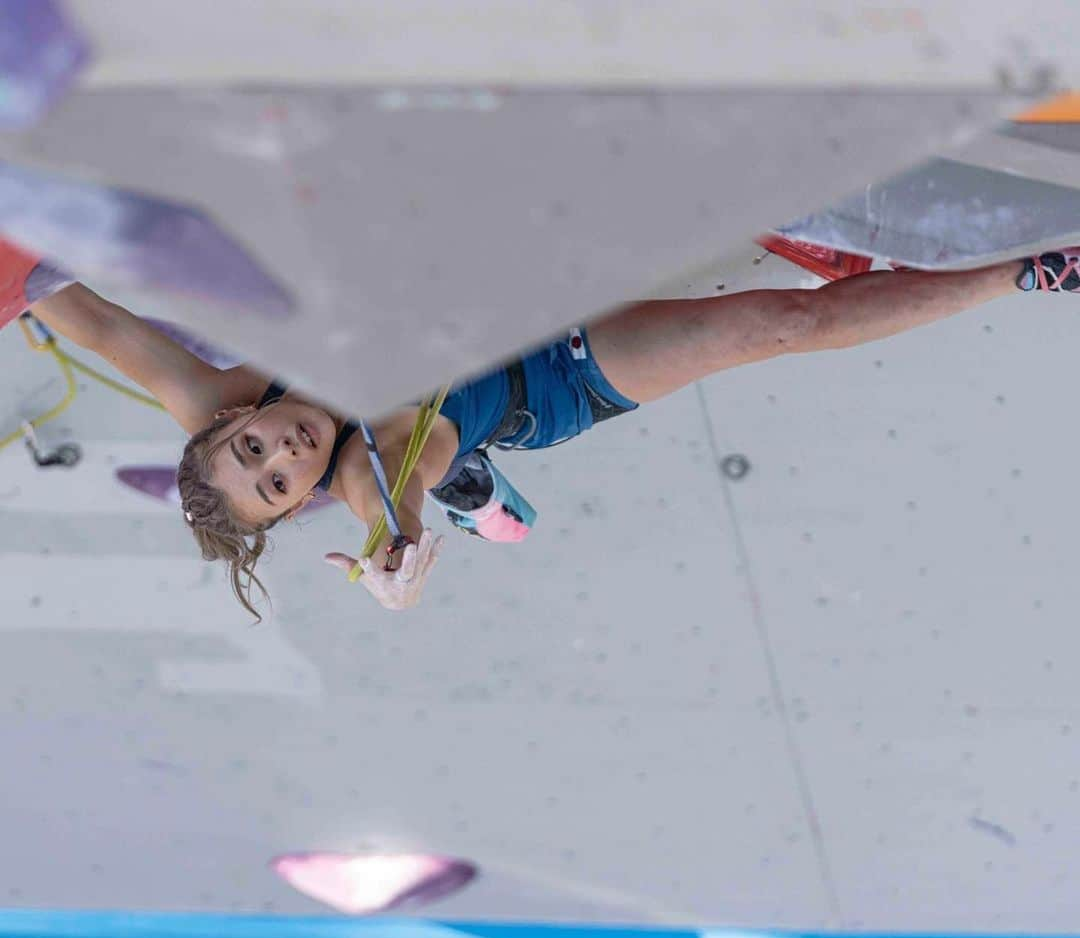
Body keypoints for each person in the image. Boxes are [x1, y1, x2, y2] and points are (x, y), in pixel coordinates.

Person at [8, 235, 1078, 617]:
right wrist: (393, 565)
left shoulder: (218, 398)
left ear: (229, 421)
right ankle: (1026, 270)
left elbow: (85, 316)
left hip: (487, 291)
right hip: (545, 380)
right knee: (781, 323)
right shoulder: (364, 469)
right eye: (279, 481)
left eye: (254, 448)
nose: (280, 451)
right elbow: (390, 521)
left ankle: (480, 492)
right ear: (302, 501)